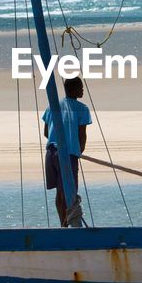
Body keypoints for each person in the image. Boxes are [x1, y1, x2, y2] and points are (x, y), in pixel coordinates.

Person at [43, 76, 91, 227]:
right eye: (80, 87)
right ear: (73, 89)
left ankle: (63, 224)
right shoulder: (82, 109)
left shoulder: (52, 105)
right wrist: (78, 151)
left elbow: (46, 132)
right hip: (67, 154)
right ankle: (67, 224)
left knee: (59, 192)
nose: (82, 90)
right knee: (68, 191)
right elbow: (81, 134)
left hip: (51, 153)